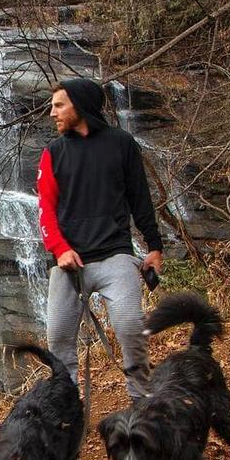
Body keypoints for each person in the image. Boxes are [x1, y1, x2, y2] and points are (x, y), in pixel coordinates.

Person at [36, 78, 163, 402]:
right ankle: (67, 410)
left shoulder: (121, 143)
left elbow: (140, 199)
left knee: (131, 329)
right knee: (59, 341)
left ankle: (142, 403)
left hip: (115, 256)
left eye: (59, 105)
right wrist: (60, 249)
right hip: (68, 264)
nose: (52, 112)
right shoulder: (53, 153)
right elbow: (45, 210)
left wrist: (154, 247)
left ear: (79, 105)